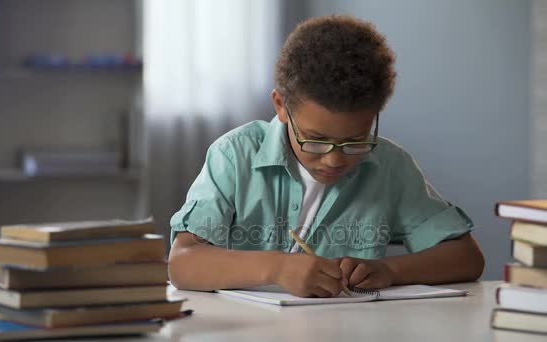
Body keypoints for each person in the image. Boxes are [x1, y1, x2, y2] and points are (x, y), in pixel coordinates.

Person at [168, 15, 484, 298]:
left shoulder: (390, 166)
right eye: (316, 141)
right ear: (281, 106)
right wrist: (276, 267)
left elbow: (467, 257)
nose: (334, 160)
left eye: (355, 141)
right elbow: (183, 263)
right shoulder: (234, 156)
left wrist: (391, 271)